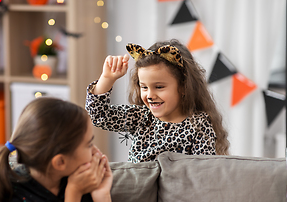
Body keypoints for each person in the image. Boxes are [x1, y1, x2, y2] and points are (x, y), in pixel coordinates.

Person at [0, 97, 128, 202]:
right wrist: (74, 192)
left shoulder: (73, 182)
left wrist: (101, 196)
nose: (96, 151)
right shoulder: (13, 200)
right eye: (89, 144)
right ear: (60, 163)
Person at [85, 39, 229, 163]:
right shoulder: (141, 117)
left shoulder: (199, 125)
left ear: (184, 86)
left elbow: (204, 171)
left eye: (159, 87)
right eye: (144, 87)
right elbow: (98, 115)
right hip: (138, 193)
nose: (150, 95)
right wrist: (107, 79)